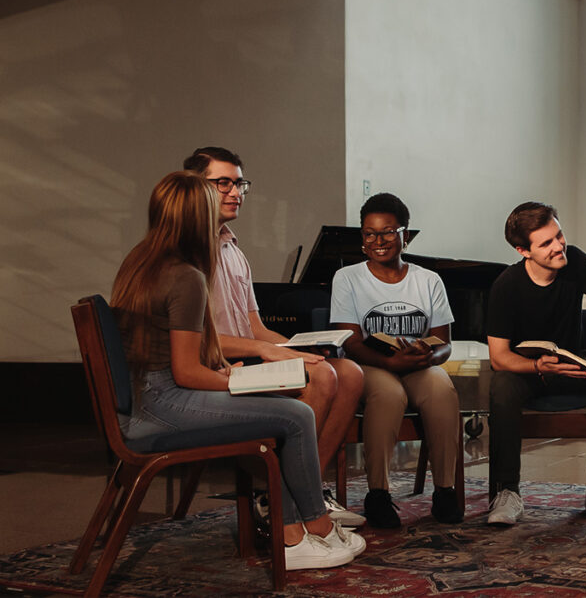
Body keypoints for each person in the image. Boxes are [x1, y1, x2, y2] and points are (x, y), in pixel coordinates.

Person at [111, 172, 365, 570]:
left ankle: (306, 525)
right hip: (163, 405)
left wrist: (241, 376)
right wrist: (239, 381)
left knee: (288, 408)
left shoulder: (141, 261)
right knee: (295, 414)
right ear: (196, 217)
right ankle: (299, 531)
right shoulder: (186, 276)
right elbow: (186, 373)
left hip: (146, 399)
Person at [182, 147, 365, 527]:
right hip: (218, 367)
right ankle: (285, 500)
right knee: (322, 376)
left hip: (247, 355)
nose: (236, 192)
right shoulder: (188, 251)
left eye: (239, 184)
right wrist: (268, 350)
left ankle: (305, 490)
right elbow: (202, 341)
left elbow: (256, 327)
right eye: (223, 183)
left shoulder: (233, 248)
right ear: (196, 187)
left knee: (347, 372)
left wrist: (299, 348)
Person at [486, 201, 586, 526]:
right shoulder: (506, 285)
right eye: (546, 243)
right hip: (528, 372)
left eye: (559, 235)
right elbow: (499, 357)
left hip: (572, 365)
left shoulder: (575, 261)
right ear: (523, 250)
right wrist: (538, 367)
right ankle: (507, 492)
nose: (558, 246)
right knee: (501, 385)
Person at [329, 193, 463, 528]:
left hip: (419, 364)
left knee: (442, 389)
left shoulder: (428, 280)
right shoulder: (347, 278)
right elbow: (350, 341)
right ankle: (378, 494)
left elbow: (445, 343)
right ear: (362, 238)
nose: (379, 241)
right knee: (389, 394)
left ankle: (445, 490)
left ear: (405, 235)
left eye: (388, 232)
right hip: (371, 365)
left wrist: (429, 355)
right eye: (369, 234)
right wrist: (390, 364)